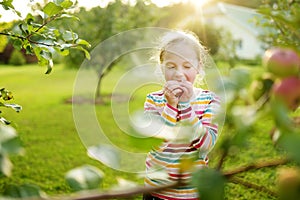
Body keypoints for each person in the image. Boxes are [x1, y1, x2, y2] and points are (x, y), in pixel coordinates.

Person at [143, 30, 221, 200]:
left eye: (187, 66)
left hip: (192, 192)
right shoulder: (153, 101)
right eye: (171, 66)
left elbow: (205, 145)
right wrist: (171, 105)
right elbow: (157, 145)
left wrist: (185, 105)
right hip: (157, 191)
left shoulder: (210, 101)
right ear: (162, 67)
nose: (179, 73)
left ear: (199, 67)